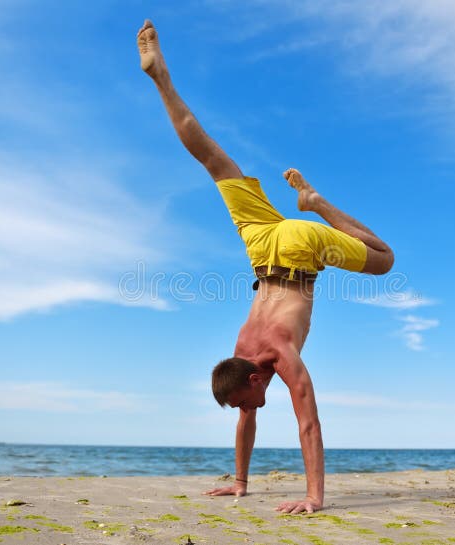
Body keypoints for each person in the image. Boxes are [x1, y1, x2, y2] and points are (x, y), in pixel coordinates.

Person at [137, 19, 394, 514]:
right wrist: (240, 482)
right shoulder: (241, 358)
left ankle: (319, 203)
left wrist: (314, 497)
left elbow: (308, 420)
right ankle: (161, 78)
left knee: (385, 261)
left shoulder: (271, 351)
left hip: (296, 250)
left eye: (241, 401)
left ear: (253, 379)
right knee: (214, 160)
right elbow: (248, 420)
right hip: (264, 245)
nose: (244, 411)